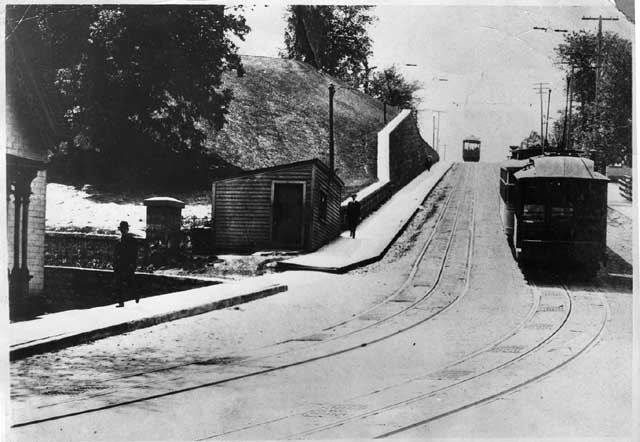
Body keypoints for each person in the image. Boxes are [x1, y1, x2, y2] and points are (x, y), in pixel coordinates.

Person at [113, 221, 138, 307]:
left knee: (130, 282)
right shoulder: (119, 241)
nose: (123, 231)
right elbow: (116, 254)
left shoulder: (132, 240)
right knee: (119, 283)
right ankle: (121, 302)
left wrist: (133, 264)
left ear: (127, 229)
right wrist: (115, 264)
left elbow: (134, 254)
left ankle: (136, 294)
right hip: (120, 265)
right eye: (122, 229)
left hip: (128, 265)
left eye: (124, 229)